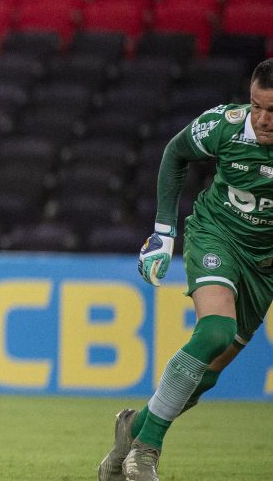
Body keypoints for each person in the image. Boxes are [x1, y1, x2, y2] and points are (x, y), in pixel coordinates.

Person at [98, 58, 273, 481]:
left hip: (264, 265)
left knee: (205, 378)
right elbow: (176, 153)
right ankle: (147, 450)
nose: (263, 119)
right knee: (215, 333)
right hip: (216, 235)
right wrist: (163, 232)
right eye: (256, 106)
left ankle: (131, 432)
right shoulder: (224, 126)